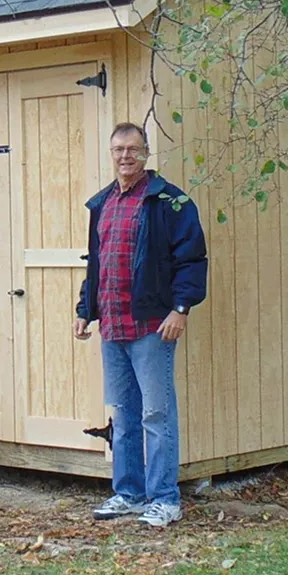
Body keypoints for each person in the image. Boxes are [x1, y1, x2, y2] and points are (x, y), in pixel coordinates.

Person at [74, 121, 207, 528]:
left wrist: (180, 308)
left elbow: (192, 259)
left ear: (146, 153)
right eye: (118, 150)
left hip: (152, 325)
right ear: (111, 154)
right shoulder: (102, 204)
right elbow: (96, 264)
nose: (125, 156)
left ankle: (165, 498)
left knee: (156, 413)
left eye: (133, 149)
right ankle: (129, 494)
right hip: (112, 326)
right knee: (125, 414)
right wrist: (85, 309)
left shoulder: (171, 202)